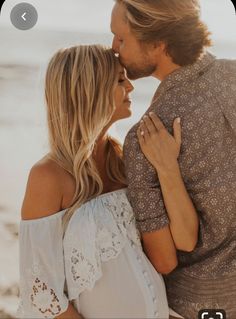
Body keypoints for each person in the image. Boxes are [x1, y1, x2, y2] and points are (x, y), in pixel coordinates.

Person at [16, 44, 195, 319]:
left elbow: (163, 260)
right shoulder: (48, 177)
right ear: (91, 91)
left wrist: (167, 166)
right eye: (120, 80)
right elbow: (41, 292)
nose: (131, 88)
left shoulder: (125, 161)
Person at [110, 0, 236, 318]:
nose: (113, 48)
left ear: (158, 42)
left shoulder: (145, 139)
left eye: (121, 38)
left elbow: (163, 261)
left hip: (194, 305)